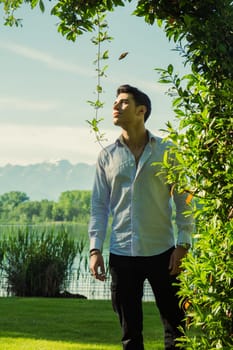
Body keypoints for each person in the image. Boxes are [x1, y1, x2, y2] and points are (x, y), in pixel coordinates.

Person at [88, 84, 193, 350]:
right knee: (130, 334)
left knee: (176, 328)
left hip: (164, 253)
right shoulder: (106, 157)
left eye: (123, 102)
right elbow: (99, 206)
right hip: (122, 255)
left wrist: (183, 244)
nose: (115, 106)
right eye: (115, 101)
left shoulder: (168, 151)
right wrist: (95, 249)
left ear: (141, 111)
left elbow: (185, 201)